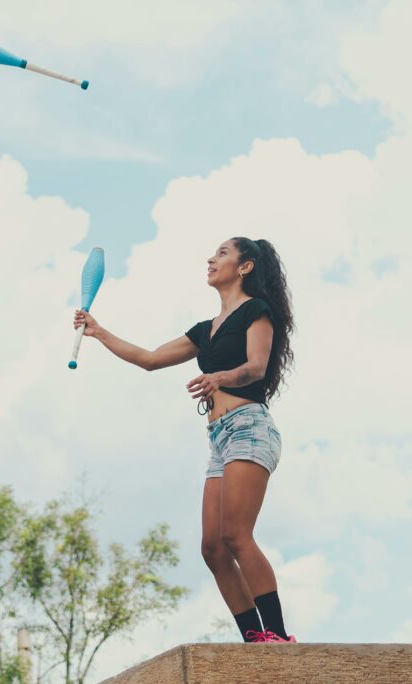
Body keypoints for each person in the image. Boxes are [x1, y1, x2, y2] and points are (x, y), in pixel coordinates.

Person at [73, 237, 296, 643]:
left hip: (249, 427)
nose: (211, 259)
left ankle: (278, 636)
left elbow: (257, 367)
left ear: (244, 267)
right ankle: (255, 638)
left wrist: (219, 378)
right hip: (220, 438)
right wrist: (99, 332)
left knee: (236, 536)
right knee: (212, 547)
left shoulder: (255, 311)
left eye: (223, 253)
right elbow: (151, 359)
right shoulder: (205, 330)